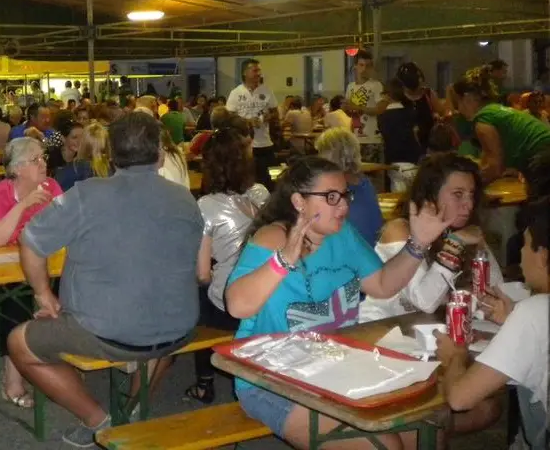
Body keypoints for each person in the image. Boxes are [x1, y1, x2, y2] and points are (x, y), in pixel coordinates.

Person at [225, 156, 452, 449]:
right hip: (269, 379)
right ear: (299, 201)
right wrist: (283, 262)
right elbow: (237, 306)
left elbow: (382, 285)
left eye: (345, 195)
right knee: (384, 446)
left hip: (335, 367)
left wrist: (418, 245)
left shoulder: (343, 235)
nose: (344, 206)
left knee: (427, 435)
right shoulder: (273, 238)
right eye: (331, 197)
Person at [7, 113, 203, 447]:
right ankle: (135, 411)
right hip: (178, 328)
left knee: (18, 342)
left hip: (106, 330)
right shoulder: (185, 198)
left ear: (111, 155)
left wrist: (43, 294)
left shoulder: (87, 195)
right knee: (159, 344)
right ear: (159, 154)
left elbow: (31, 241)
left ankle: (99, 421)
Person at [435, 195, 549, 450]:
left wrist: (456, 354)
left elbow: (459, 399)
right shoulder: (534, 313)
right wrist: (512, 320)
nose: (520, 251)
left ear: (542, 256)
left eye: (526, 243)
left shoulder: (536, 311)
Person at [361, 153, 505, 321]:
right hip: (379, 330)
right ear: (431, 195)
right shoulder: (399, 230)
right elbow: (425, 301)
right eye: (458, 194)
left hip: (426, 329)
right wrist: (454, 245)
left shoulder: (464, 232)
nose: (469, 204)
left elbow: (495, 288)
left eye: (471, 195)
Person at [184, 125, 269, 404]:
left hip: (228, 307)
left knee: (197, 294)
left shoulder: (207, 206)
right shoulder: (261, 197)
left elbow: (202, 273)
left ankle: (204, 382)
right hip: (266, 296)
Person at [0, 137, 63, 408]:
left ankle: (58, 368)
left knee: (71, 294)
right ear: (16, 169)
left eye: (43, 158)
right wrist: (24, 203)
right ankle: (12, 379)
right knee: (12, 305)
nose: (43, 164)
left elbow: (67, 226)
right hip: (7, 269)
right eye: (35, 159)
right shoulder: (1, 192)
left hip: (47, 265)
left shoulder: (52, 187)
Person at [453, 66, 550, 183]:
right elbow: (489, 159)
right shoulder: (495, 110)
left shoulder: (483, 120)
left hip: (543, 156)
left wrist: (469, 184)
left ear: (466, 97)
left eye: (457, 101)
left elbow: (495, 168)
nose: (457, 109)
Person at [314, 128, 383, 246]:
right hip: (373, 251)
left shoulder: (334, 189)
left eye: (319, 152)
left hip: (352, 255)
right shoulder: (364, 182)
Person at [226, 58, 278, 190]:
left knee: (268, 182)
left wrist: (269, 116)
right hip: (245, 145)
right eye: (255, 70)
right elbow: (229, 118)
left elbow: (276, 113)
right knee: (248, 182)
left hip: (265, 144)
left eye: (259, 70)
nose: (258, 73)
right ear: (245, 73)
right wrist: (247, 122)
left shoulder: (267, 91)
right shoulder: (236, 93)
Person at [378, 78, 423, 193]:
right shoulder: (411, 113)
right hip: (413, 160)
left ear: (387, 95)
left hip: (394, 163)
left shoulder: (383, 117)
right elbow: (416, 136)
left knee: (399, 201)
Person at [345, 50, 386, 163]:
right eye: (361, 65)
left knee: (372, 173)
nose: (364, 69)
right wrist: (346, 109)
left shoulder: (376, 85)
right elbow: (350, 110)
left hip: (372, 138)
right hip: (355, 138)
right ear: (355, 67)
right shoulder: (350, 87)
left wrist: (359, 107)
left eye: (368, 66)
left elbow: (380, 109)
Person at [397, 62, 445, 153]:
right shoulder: (398, 96)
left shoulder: (428, 94)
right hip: (404, 145)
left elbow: (442, 112)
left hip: (428, 144)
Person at [55, 122, 112, 191]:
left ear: (84, 143)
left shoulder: (75, 168)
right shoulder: (115, 167)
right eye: (75, 137)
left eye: (81, 137)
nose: (78, 141)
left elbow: (54, 190)